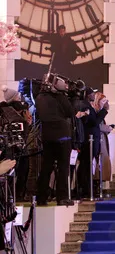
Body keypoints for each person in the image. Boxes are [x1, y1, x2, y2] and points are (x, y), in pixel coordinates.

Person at [35, 76, 84, 206]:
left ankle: (41, 197)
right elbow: (70, 112)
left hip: (47, 135)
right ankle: (62, 197)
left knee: (46, 167)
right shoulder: (60, 98)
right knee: (63, 167)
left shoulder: (39, 97)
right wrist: (71, 98)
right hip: (62, 135)